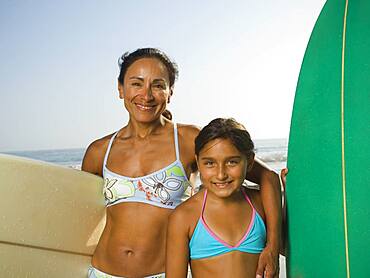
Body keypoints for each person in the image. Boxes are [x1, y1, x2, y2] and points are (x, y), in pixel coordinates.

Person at [82, 48, 281, 278]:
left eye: (157, 85)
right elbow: (83, 217)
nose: (146, 95)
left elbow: (267, 177)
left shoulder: (188, 140)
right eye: (136, 84)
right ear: (120, 89)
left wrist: (272, 246)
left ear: (170, 92)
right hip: (102, 272)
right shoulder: (99, 151)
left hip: (161, 273)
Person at [166, 118, 268, 278]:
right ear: (198, 163)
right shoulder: (184, 217)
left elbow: (289, 249)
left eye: (232, 162)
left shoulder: (261, 204)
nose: (221, 175)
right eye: (209, 163)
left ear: (249, 162)